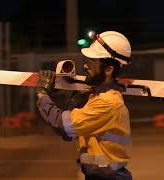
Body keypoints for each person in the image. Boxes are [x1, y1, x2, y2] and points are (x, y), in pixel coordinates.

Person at [35, 31, 133, 180]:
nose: (86, 66)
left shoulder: (107, 103)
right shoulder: (96, 96)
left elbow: (64, 126)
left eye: (92, 62)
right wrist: (72, 92)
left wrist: (43, 94)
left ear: (108, 70)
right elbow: (72, 133)